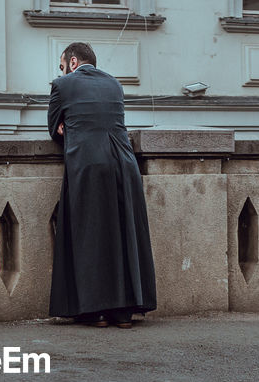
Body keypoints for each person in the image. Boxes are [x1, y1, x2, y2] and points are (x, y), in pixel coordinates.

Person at [47, 42, 157, 329]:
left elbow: (54, 130)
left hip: (88, 165)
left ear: (72, 62)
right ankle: (123, 313)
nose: (61, 71)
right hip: (124, 165)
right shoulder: (115, 85)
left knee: (90, 237)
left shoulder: (62, 85)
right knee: (123, 236)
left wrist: (65, 126)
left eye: (62, 65)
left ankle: (94, 312)